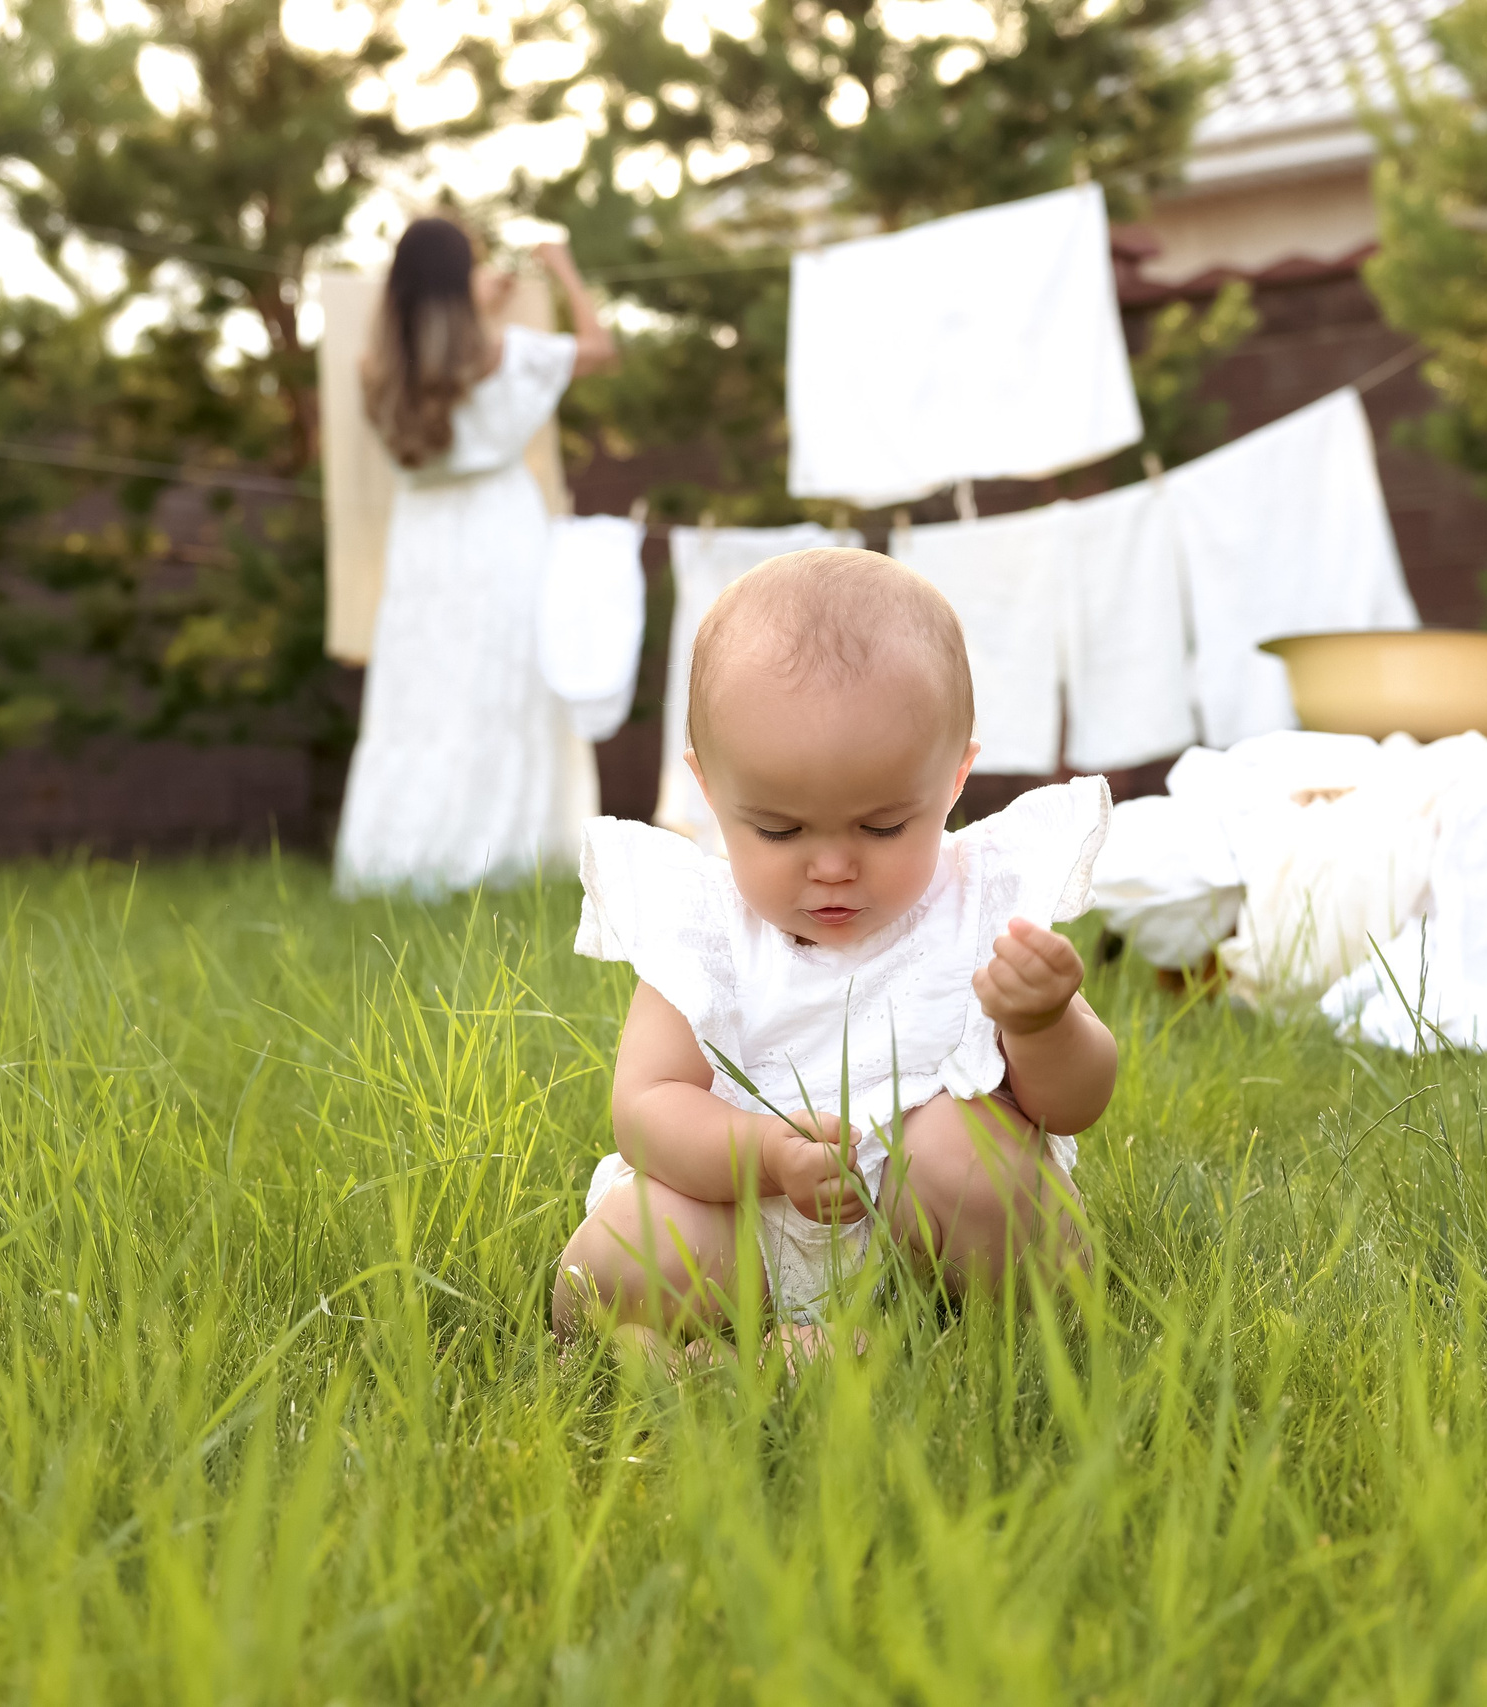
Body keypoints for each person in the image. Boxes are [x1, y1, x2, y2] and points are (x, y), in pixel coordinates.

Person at [553, 548, 1116, 1353]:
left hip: (931, 1235)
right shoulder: (705, 931)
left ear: (955, 777)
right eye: (779, 829)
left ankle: (942, 1337)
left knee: (963, 1154)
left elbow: (1076, 1101)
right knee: (617, 1258)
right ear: (710, 790)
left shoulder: (981, 908)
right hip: (750, 1223)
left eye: (882, 826)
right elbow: (646, 1110)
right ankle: (729, 1357)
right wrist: (764, 1155)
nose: (831, 866)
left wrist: (1043, 1023)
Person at [334, 218, 618, 896]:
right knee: (504, 688)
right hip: (502, 532)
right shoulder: (507, 355)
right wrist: (560, 265)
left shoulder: (376, 370)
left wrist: (473, 304)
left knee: (424, 697)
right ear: (462, 280)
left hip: (422, 543)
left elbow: (437, 357)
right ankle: (512, 854)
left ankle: (404, 855)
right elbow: (599, 349)